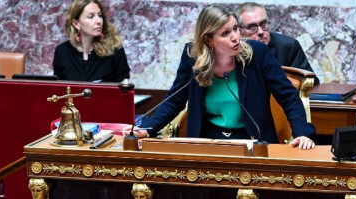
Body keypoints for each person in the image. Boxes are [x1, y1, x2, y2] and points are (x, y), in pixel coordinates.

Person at [124, 4, 316, 149]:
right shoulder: (193, 56)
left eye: (235, 28)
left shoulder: (257, 53)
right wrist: (148, 127)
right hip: (207, 141)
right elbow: (175, 100)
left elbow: (289, 97)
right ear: (208, 40)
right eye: (225, 33)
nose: (235, 37)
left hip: (252, 141)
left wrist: (302, 133)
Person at [233, 2, 319, 85]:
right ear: (239, 31)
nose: (261, 32)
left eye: (263, 24)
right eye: (252, 27)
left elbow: (310, 82)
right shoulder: (233, 51)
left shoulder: (288, 47)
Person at [53, 0, 130, 82]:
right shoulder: (62, 51)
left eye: (99, 15)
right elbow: (58, 89)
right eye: (91, 16)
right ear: (76, 24)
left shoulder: (114, 49)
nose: (99, 21)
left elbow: (124, 89)